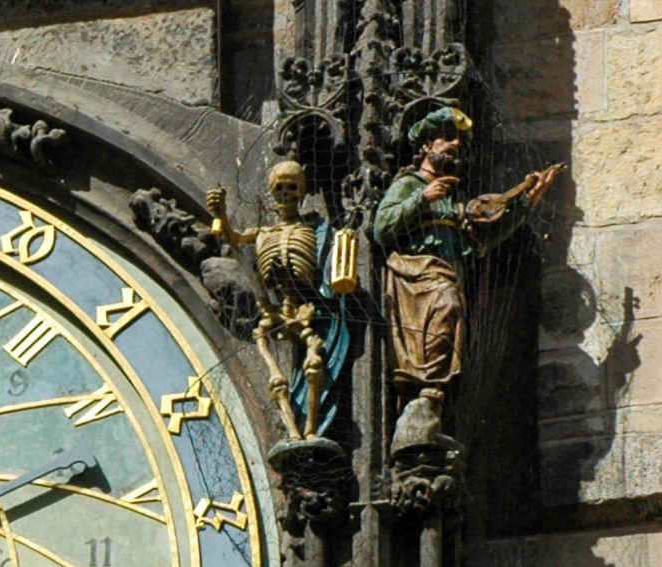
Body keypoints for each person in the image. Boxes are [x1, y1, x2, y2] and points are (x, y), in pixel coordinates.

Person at [371, 108, 559, 424]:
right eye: (447, 137)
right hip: (416, 277)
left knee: (449, 311)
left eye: (458, 140)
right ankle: (425, 389)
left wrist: (527, 202)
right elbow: (381, 227)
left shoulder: (454, 199)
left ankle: (434, 391)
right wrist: (423, 198)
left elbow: (481, 240)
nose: (454, 144)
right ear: (427, 146)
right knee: (445, 303)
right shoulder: (409, 183)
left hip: (448, 274)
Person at [206, 157, 350, 440]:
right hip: (273, 309)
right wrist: (220, 212)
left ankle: (309, 430)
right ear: (272, 193)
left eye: (292, 188)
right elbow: (232, 238)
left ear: (302, 192)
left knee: (314, 364)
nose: (285, 195)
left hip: (307, 308)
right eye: (280, 189)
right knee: (275, 366)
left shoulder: (314, 229)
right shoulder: (262, 232)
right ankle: (294, 432)